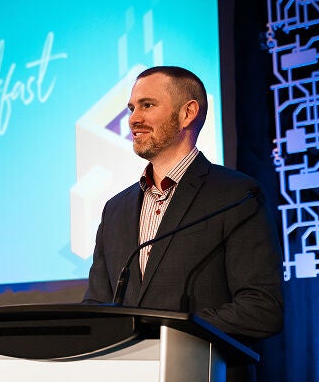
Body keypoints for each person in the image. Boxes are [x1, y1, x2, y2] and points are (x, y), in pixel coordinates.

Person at [83, 66, 284, 341]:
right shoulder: (116, 209)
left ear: (187, 113)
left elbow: (262, 309)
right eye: (131, 108)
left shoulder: (236, 195)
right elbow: (96, 307)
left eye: (147, 105)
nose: (133, 119)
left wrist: (165, 327)